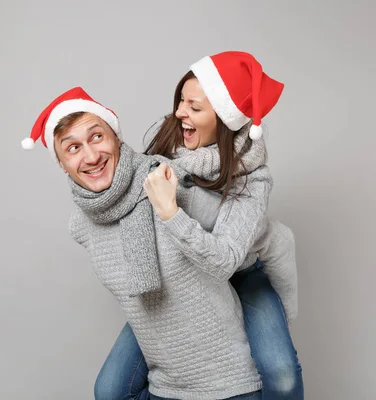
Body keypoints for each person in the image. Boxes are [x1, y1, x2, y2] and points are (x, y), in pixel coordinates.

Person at [21, 87, 264, 399]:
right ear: (61, 163)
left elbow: (237, 252)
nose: (91, 156)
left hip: (228, 386)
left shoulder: (166, 179)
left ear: (116, 137)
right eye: (73, 148)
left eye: (97, 137)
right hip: (166, 387)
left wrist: (171, 211)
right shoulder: (82, 223)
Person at [95, 51, 303, 399]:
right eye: (181, 100)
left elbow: (225, 261)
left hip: (237, 272)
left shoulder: (254, 177)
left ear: (223, 118)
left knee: (281, 374)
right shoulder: (167, 143)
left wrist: (171, 212)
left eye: (194, 106)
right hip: (181, 274)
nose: (179, 112)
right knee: (111, 389)